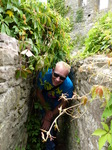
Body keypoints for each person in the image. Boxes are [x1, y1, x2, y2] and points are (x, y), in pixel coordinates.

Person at [36, 61, 74, 150]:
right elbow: (38, 93)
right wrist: (46, 112)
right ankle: (49, 145)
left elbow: (64, 103)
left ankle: (51, 144)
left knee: (50, 122)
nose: (57, 79)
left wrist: (50, 116)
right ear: (53, 70)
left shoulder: (68, 86)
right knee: (45, 123)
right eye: (56, 75)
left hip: (57, 103)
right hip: (45, 99)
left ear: (66, 77)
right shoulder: (44, 75)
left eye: (62, 78)